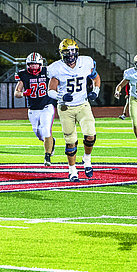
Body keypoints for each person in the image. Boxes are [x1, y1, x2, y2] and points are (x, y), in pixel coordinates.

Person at [47, 39, 100, 182]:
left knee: (90, 134)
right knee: (71, 141)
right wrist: (61, 95)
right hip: (65, 108)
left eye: (72, 51)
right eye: (67, 52)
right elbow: (50, 90)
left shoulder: (86, 62)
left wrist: (96, 90)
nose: (70, 55)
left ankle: (87, 159)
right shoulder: (56, 68)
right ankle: (72, 170)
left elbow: (95, 77)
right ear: (61, 53)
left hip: (83, 104)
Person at [15, 52, 56, 165]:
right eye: (31, 64)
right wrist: (23, 94)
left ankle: (47, 156)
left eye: (36, 64)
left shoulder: (47, 72)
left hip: (46, 106)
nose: (33, 67)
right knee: (39, 133)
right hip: (33, 108)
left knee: (46, 130)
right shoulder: (23, 74)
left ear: (40, 64)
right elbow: (16, 92)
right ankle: (51, 142)